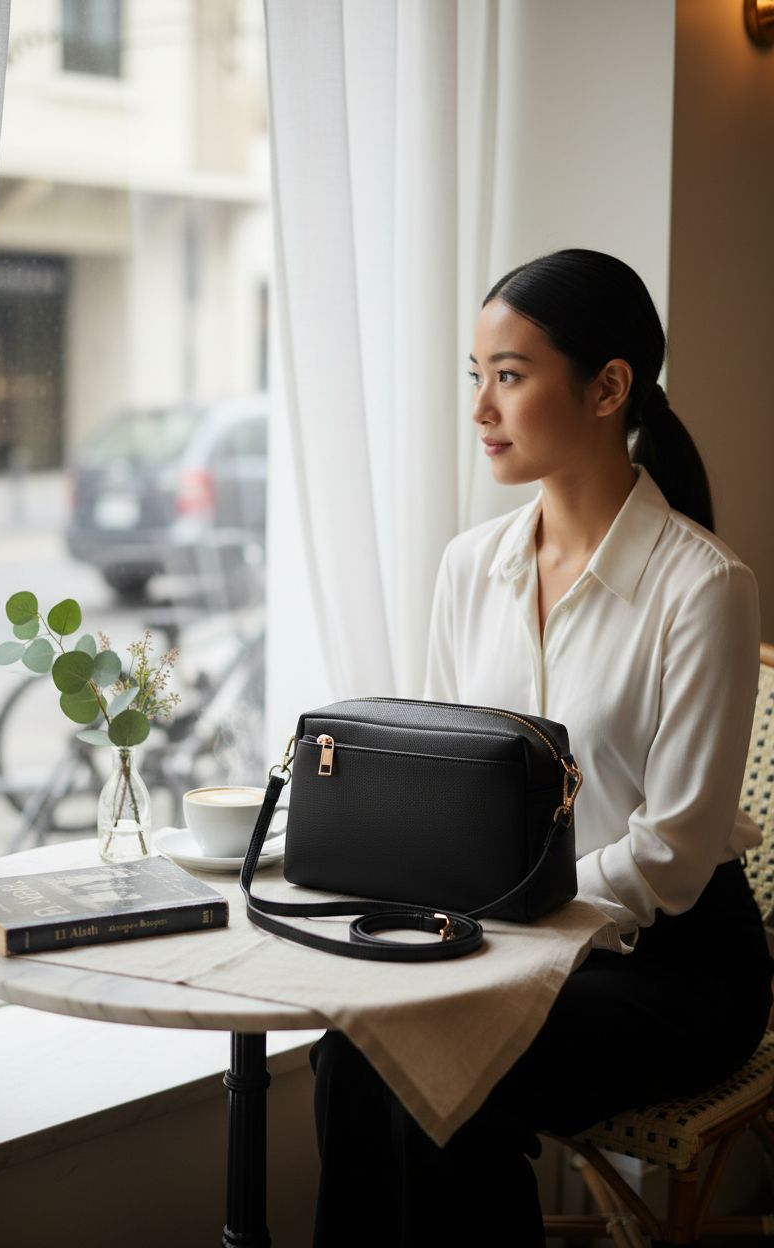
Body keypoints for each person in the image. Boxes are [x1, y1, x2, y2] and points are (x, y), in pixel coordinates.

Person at [309, 249, 774, 1246]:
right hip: (500, 939)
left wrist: (506, 928)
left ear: (607, 387)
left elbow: (673, 852)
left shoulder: (703, 587)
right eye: (474, 376)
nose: (480, 408)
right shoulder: (468, 567)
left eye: (509, 376)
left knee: (445, 1073)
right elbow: (438, 776)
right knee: (353, 1051)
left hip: (669, 964)